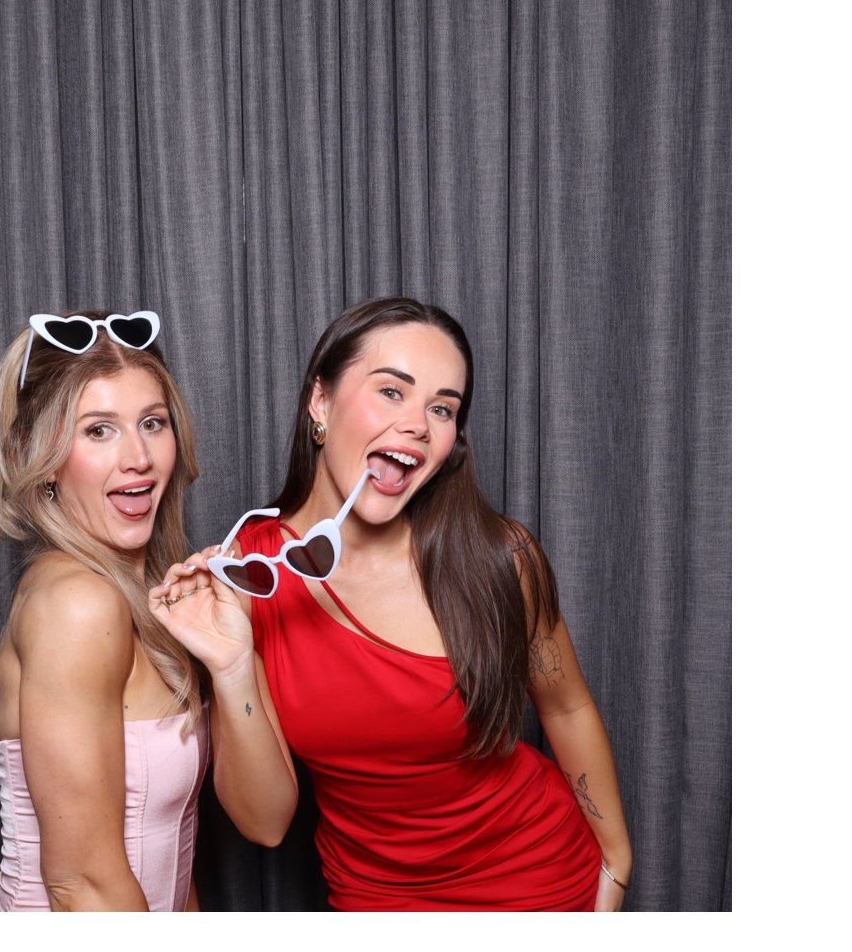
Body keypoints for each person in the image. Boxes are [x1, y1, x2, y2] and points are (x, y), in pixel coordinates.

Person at [152, 300, 632, 914]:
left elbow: (567, 707)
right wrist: (230, 666)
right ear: (319, 403)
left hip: (540, 882)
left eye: (442, 408)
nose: (418, 426)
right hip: (376, 902)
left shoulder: (500, 558)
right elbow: (265, 824)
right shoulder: (252, 576)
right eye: (391, 392)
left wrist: (615, 865)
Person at [0, 314, 212, 913]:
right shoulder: (77, 603)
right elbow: (84, 885)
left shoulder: (156, 597)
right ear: (43, 457)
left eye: (152, 424)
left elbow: (173, 870)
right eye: (98, 430)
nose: (138, 457)